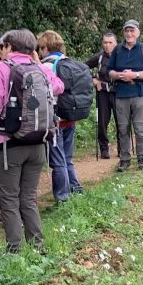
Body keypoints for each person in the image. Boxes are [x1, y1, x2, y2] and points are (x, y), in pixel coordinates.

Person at [0, 29, 65, 254]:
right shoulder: (41, 69)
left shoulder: (1, 68)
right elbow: (59, 87)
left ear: (9, 47)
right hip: (38, 143)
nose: (0, 50)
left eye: (3, 46)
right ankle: (37, 247)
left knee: (8, 198)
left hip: (10, 144)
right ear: (32, 49)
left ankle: (15, 250)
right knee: (28, 197)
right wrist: (38, 62)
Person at [37, 30, 82, 201]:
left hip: (55, 119)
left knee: (57, 160)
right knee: (67, 158)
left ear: (45, 47)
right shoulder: (68, 62)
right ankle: (75, 188)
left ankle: (63, 197)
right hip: (70, 116)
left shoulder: (47, 66)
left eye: (41, 48)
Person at [106, 20, 143, 172]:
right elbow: (109, 71)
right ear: (124, 33)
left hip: (139, 93)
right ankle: (125, 159)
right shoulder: (117, 50)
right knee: (122, 128)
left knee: (139, 128)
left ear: (138, 33)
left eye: (132, 31)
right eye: (127, 31)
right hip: (121, 94)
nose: (129, 34)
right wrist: (119, 75)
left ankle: (142, 158)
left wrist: (134, 75)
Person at [85, 32, 117, 159]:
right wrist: (93, 79)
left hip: (118, 91)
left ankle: (122, 148)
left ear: (116, 44)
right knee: (102, 121)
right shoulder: (99, 57)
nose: (107, 45)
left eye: (110, 43)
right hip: (102, 92)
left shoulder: (121, 56)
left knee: (121, 121)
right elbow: (82, 67)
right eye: (105, 42)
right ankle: (104, 148)